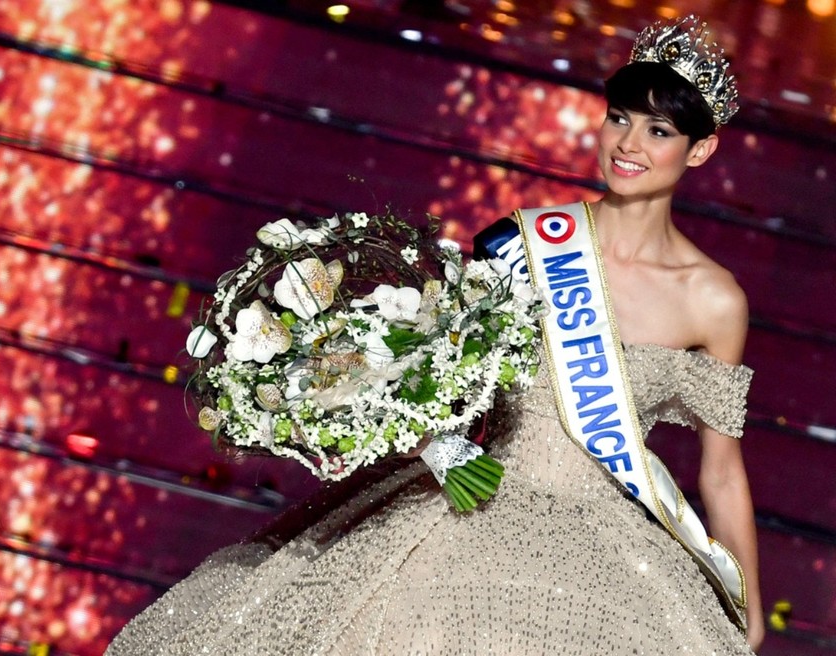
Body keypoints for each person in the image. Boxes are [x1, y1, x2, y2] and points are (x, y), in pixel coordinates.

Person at [105, 15, 763, 655]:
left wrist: (749, 615)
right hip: (470, 505)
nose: (628, 144)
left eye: (659, 130)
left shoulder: (713, 301)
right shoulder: (523, 245)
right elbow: (436, 371)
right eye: (619, 117)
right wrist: (433, 440)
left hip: (608, 553)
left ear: (699, 148)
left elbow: (722, 473)